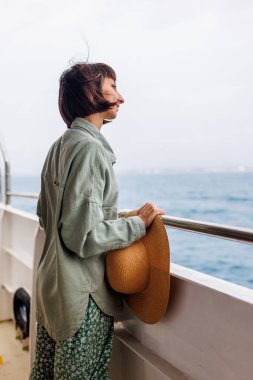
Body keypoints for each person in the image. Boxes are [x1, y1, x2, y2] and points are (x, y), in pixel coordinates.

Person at [29, 62, 164, 380]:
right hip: (82, 294)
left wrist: (112, 217)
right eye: (113, 86)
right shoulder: (90, 149)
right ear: (91, 92)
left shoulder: (59, 146)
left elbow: (47, 214)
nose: (121, 97)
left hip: (52, 285)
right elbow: (83, 235)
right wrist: (135, 225)